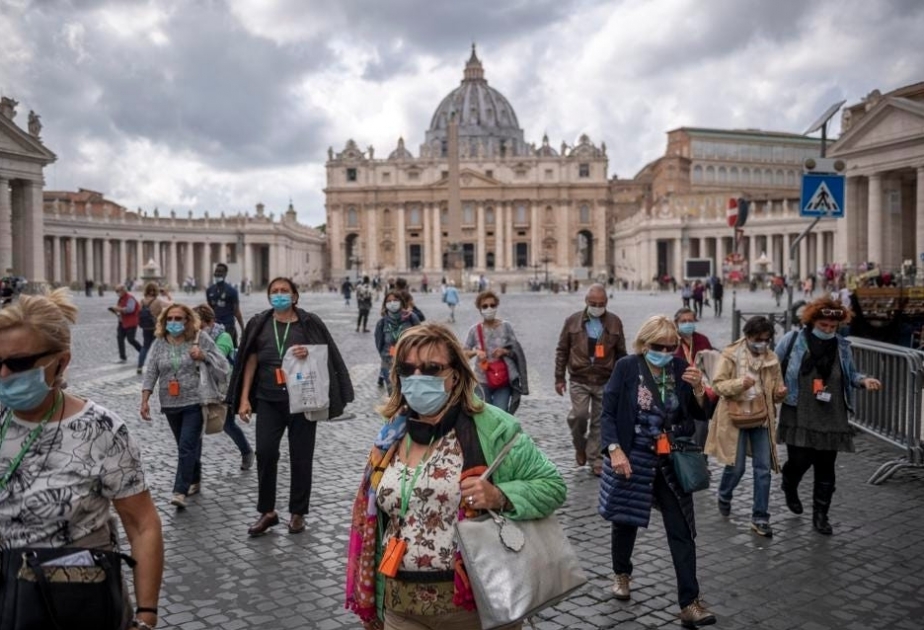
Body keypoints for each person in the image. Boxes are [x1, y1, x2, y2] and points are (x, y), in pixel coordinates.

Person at [345, 322, 566, 630]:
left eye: (432, 369)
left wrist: (501, 496)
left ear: (456, 375)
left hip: (471, 605)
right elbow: (375, 516)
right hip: (399, 602)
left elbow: (552, 486)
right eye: (408, 370)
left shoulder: (493, 428)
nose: (418, 378)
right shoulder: (392, 433)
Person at [0, 289, 164, 630]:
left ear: (61, 361)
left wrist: (146, 616)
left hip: (74, 601)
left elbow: (142, 524)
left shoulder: (101, 429)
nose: (3, 374)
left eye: (17, 364)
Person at [598, 315, 715, 628]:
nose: (665, 351)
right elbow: (608, 413)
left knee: (682, 529)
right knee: (626, 521)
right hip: (633, 456)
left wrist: (700, 389)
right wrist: (614, 450)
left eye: (671, 347)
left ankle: (689, 602)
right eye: (658, 346)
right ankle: (621, 572)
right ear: (644, 344)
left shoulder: (680, 369)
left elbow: (699, 412)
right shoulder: (627, 367)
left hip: (670, 458)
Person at [226, 277, 354, 537]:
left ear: (295, 296)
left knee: (301, 456)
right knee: (265, 451)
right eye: (275, 291)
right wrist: (243, 399)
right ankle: (268, 512)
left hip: (302, 400)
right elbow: (249, 360)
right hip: (267, 399)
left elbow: (327, 354)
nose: (280, 295)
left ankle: (298, 513)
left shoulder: (310, 322)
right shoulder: (259, 323)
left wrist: (310, 352)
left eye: (285, 291)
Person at [775, 298, 881, 535]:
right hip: (798, 410)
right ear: (812, 322)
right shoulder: (792, 340)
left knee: (826, 466)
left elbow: (851, 374)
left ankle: (821, 515)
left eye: (833, 327)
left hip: (831, 413)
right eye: (824, 326)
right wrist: (776, 388)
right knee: (800, 461)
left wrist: (863, 380)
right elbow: (772, 367)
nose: (829, 331)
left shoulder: (842, 346)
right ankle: (789, 482)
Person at [140, 303, 228, 509]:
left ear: (187, 320)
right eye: (169, 319)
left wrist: (204, 356)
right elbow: (152, 371)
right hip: (169, 403)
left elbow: (223, 364)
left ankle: (179, 490)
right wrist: (145, 399)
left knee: (186, 446)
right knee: (186, 445)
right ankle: (195, 477)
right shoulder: (160, 342)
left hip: (195, 401)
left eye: (178, 319)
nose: (173, 323)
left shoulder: (199, 338)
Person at [706, 316, 787, 537]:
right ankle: (724, 493)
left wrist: (779, 393)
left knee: (763, 469)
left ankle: (760, 517)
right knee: (737, 466)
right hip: (735, 416)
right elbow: (718, 385)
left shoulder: (771, 358)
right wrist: (739, 383)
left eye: (766, 340)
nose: (762, 343)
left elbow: (776, 389)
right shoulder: (731, 355)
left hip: (761, 416)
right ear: (748, 336)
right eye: (758, 339)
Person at [555, 284, 627, 476]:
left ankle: (596, 459)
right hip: (579, 377)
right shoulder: (572, 321)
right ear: (586, 302)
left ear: (607, 303)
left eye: (601, 303)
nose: (597, 306)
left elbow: (621, 353)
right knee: (579, 416)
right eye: (593, 303)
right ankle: (580, 445)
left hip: (605, 379)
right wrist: (559, 378)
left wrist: (623, 381)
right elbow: (562, 350)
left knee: (599, 421)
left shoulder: (614, 322)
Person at [194, 303, 254, 471]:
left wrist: (200, 351)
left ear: (210, 321)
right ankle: (193, 468)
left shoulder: (224, 336)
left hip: (222, 387)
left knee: (227, 424)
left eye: (201, 324)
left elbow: (217, 358)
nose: (197, 327)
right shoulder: (192, 337)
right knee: (195, 427)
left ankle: (247, 452)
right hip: (200, 387)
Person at [463, 291, 527, 413]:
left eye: (492, 305)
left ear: (496, 306)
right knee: (484, 414)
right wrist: (476, 352)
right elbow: (464, 353)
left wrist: (504, 351)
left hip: (503, 379)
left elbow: (516, 351)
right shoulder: (474, 330)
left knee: (500, 413)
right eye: (485, 306)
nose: (489, 308)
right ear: (479, 309)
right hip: (481, 380)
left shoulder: (506, 327)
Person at [673, 308, 715, 447]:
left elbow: (711, 365)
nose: (687, 323)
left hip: (700, 391)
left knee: (701, 429)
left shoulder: (702, 340)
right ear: (676, 323)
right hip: (679, 392)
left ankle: (700, 461)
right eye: (683, 321)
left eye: (690, 321)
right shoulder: (672, 341)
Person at [375, 290, 421, 392]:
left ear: (401, 302)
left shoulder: (411, 318)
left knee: (409, 393)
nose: (392, 303)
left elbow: (420, 338)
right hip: (389, 363)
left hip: (409, 363)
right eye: (389, 301)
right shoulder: (382, 323)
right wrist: (387, 356)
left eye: (395, 300)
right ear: (385, 304)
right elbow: (379, 344)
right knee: (393, 394)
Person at [206, 262, 244, 346]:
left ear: (225, 274)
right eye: (216, 271)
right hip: (214, 326)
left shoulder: (232, 291)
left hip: (228, 326)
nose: (217, 273)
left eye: (220, 272)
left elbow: (237, 311)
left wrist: (242, 328)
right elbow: (209, 310)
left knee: (229, 350)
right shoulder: (210, 290)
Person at [137, 282, 167, 375]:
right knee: (160, 346)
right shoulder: (158, 301)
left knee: (145, 346)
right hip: (156, 326)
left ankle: (139, 366)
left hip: (145, 327)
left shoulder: (142, 301)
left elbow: (138, 312)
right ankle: (161, 367)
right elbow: (171, 304)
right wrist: (167, 295)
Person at [112, 284, 143, 364]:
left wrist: (119, 309)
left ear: (123, 290)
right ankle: (122, 357)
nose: (117, 293)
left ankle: (142, 352)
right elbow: (121, 309)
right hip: (122, 322)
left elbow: (130, 309)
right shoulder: (121, 299)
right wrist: (115, 311)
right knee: (120, 338)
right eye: (116, 291)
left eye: (118, 291)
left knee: (131, 339)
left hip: (131, 322)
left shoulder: (130, 298)